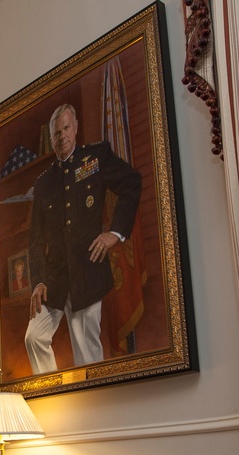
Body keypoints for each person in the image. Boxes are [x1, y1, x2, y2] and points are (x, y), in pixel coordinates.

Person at [24, 103, 142, 374]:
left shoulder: (95, 158)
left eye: (66, 128)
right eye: (56, 133)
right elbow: (35, 238)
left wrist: (116, 232)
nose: (62, 135)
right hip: (54, 278)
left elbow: (131, 183)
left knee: (86, 354)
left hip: (87, 270)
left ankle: (93, 412)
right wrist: (38, 280)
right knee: (34, 337)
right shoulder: (44, 183)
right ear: (51, 139)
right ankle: (51, 391)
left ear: (75, 128)